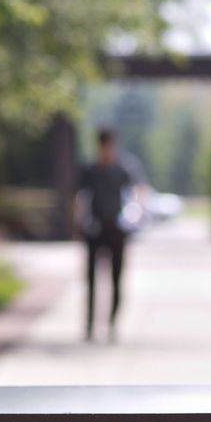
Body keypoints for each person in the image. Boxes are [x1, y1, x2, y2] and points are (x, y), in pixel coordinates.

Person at [74, 129, 144, 343]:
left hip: (117, 229)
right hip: (95, 228)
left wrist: (135, 216)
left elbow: (137, 192)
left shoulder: (123, 170)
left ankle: (113, 323)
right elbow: (80, 197)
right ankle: (89, 325)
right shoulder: (90, 170)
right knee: (92, 279)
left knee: (116, 278)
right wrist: (78, 223)